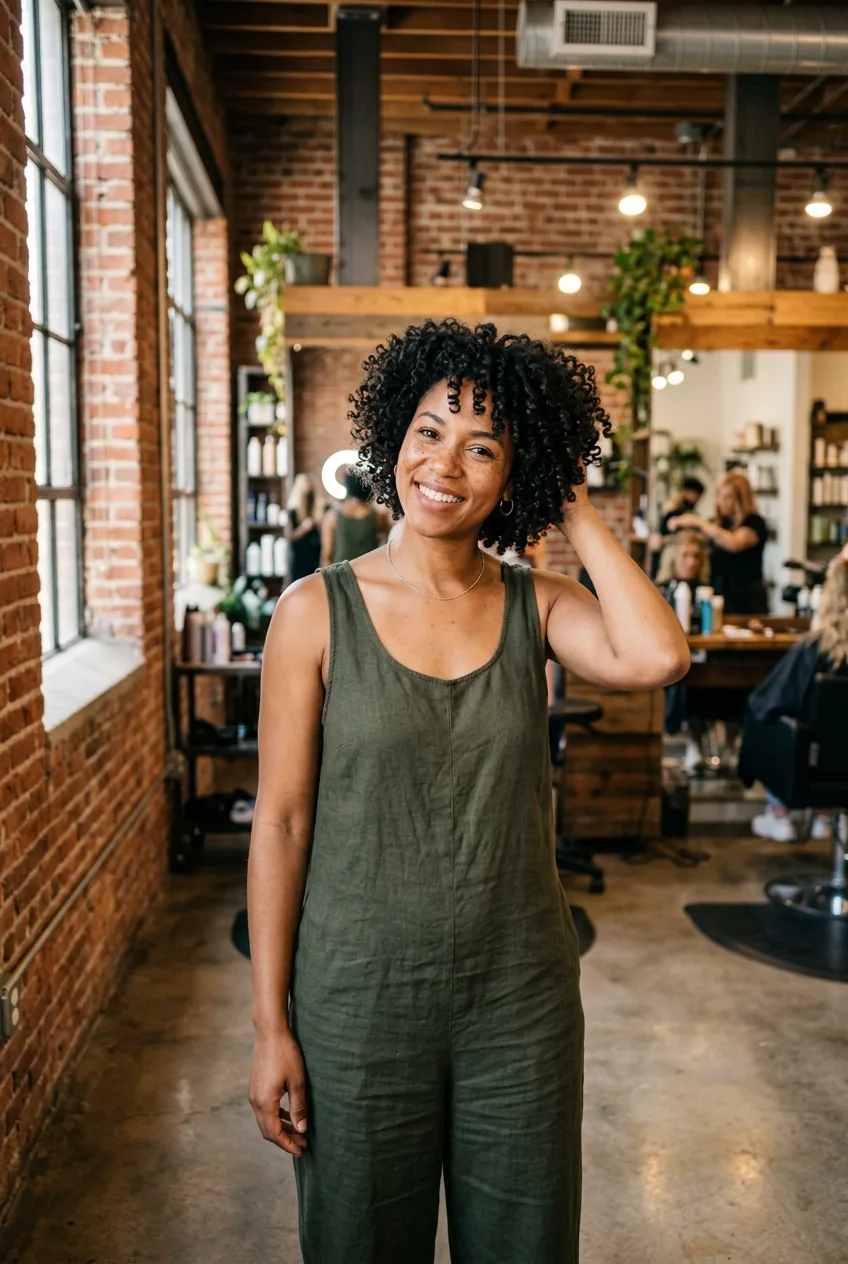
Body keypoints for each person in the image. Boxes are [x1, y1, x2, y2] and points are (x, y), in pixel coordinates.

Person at [247, 319, 690, 1264]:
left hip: (518, 1002)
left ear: (513, 475)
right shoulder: (313, 611)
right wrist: (269, 1024)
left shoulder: (539, 603)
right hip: (357, 1002)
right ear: (392, 439)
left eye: (483, 444)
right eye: (428, 429)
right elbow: (280, 825)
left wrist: (570, 502)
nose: (445, 462)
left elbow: (658, 655)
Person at [747, 545, 848, 843]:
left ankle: (780, 814)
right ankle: (828, 817)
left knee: (763, 713)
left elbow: (770, 702)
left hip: (819, 764)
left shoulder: (815, 648)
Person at [669, 471, 768, 614]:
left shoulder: (754, 523)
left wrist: (698, 521)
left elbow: (734, 543)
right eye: (720, 496)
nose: (722, 502)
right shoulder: (719, 525)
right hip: (719, 597)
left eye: (728, 497)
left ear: (742, 499)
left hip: (747, 600)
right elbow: (694, 540)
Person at [658, 532, 710, 772]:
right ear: (672, 558)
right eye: (685, 555)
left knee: (704, 677)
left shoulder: (708, 590)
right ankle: (692, 744)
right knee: (684, 675)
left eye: (696, 556)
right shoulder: (660, 590)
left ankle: (701, 745)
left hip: (704, 657)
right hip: (665, 656)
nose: (692, 562)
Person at [321, 468, 385, 565]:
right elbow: (386, 543)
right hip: (369, 572)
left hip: (341, 575)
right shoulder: (378, 517)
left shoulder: (332, 516)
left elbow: (326, 556)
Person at [650, 476, 705, 579]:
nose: (697, 499)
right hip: (670, 557)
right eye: (696, 494)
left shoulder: (692, 515)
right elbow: (661, 537)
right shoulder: (675, 512)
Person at [287, 473, 325, 582]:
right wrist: (304, 528)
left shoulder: (316, 504)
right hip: (301, 555)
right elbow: (290, 536)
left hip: (315, 554)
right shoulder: (293, 511)